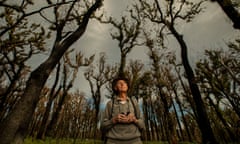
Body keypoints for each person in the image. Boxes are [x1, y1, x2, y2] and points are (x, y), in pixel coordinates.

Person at [100, 77, 145, 144]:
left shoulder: (134, 102)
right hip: (113, 141)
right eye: (119, 83)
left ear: (127, 87)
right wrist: (114, 120)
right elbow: (103, 127)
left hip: (135, 141)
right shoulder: (110, 104)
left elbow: (142, 125)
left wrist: (134, 120)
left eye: (124, 83)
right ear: (115, 88)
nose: (122, 84)